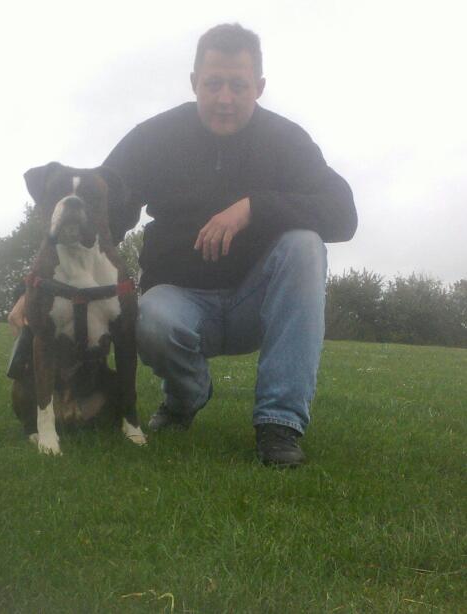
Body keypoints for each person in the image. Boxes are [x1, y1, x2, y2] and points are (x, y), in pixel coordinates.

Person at [101, 23, 357, 467]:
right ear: (193, 82)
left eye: (238, 86)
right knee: (152, 317)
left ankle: (279, 425)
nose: (224, 98)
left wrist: (253, 207)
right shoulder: (153, 137)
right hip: (177, 302)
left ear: (258, 87)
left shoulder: (286, 140)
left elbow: (344, 214)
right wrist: (38, 285)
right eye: (212, 84)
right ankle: (185, 400)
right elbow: (102, 213)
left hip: (254, 303)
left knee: (305, 245)